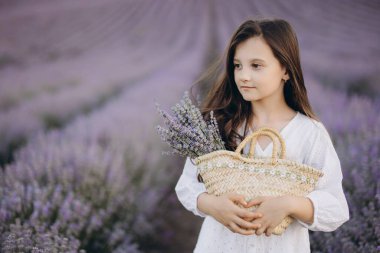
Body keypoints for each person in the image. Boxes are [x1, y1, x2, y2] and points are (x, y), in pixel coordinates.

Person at [174, 18, 350, 253]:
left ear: (285, 70)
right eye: (238, 65)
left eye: (256, 66)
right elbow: (186, 185)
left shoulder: (309, 134)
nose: (243, 76)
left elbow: (336, 208)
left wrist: (289, 204)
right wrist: (213, 205)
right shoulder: (220, 124)